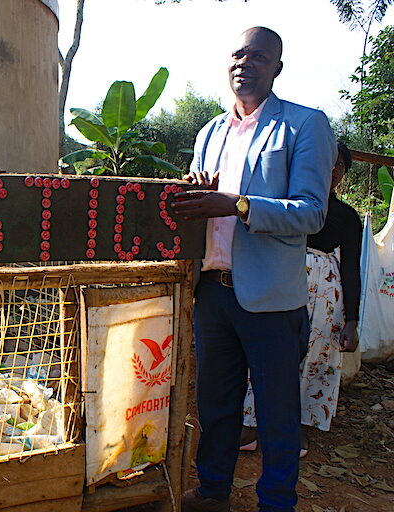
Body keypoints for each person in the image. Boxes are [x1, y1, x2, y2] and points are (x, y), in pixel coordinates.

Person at [171, 27, 336, 512]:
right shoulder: (210, 132)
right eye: (239, 54)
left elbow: (310, 212)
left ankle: (276, 502)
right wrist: (198, 188)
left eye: (259, 56)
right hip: (213, 291)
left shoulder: (304, 125)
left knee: (277, 413)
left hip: (271, 298)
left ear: (277, 68)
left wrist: (237, 204)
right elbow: (203, 204)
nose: (246, 63)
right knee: (216, 407)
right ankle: (214, 491)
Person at [239, 142, 362, 457]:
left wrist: (352, 320)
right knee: (267, 348)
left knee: (317, 358)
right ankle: (252, 423)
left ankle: (301, 426)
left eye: (340, 167)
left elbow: (351, 265)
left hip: (325, 293)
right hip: (281, 276)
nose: (332, 170)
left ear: (344, 175)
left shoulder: (347, 216)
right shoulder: (285, 201)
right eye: (327, 162)